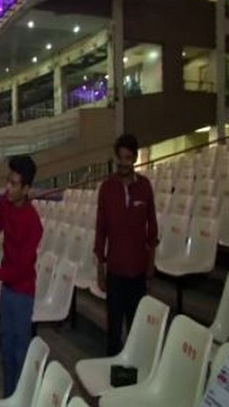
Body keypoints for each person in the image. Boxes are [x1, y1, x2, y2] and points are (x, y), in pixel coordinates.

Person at [0, 155, 43, 397]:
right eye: (7, 181)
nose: (8, 187)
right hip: (8, 289)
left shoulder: (33, 223)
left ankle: (23, 398)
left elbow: (20, 269)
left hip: (22, 293)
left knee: (20, 352)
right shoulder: (6, 204)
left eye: (14, 184)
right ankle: (9, 397)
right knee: (6, 349)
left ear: (26, 188)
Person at [94, 133, 159, 356]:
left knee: (135, 329)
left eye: (128, 158)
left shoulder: (145, 187)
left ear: (135, 158)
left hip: (139, 273)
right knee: (113, 330)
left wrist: (150, 268)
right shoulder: (107, 188)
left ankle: (132, 376)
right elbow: (100, 230)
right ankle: (112, 377)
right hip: (115, 272)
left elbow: (153, 229)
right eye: (120, 158)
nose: (123, 163)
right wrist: (100, 269)